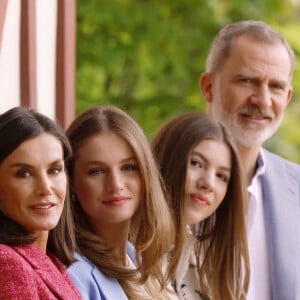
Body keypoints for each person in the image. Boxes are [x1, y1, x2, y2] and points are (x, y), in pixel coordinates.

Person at [199, 20, 300, 300]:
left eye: (276, 87)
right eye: (247, 81)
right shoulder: (156, 182)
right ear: (209, 87)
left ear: (288, 97)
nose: (263, 100)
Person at [66, 105, 176, 299]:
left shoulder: (138, 259)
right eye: (96, 171)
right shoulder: (74, 275)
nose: (116, 185)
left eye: (128, 167)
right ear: (72, 183)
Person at [152, 112, 250, 300]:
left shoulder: (210, 273)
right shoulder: (125, 253)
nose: (209, 183)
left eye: (221, 176)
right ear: (166, 159)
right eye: (196, 163)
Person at [0, 106, 82, 299]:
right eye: (24, 174)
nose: (45, 188)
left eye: (54, 170)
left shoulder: (48, 258)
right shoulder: (7, 263)